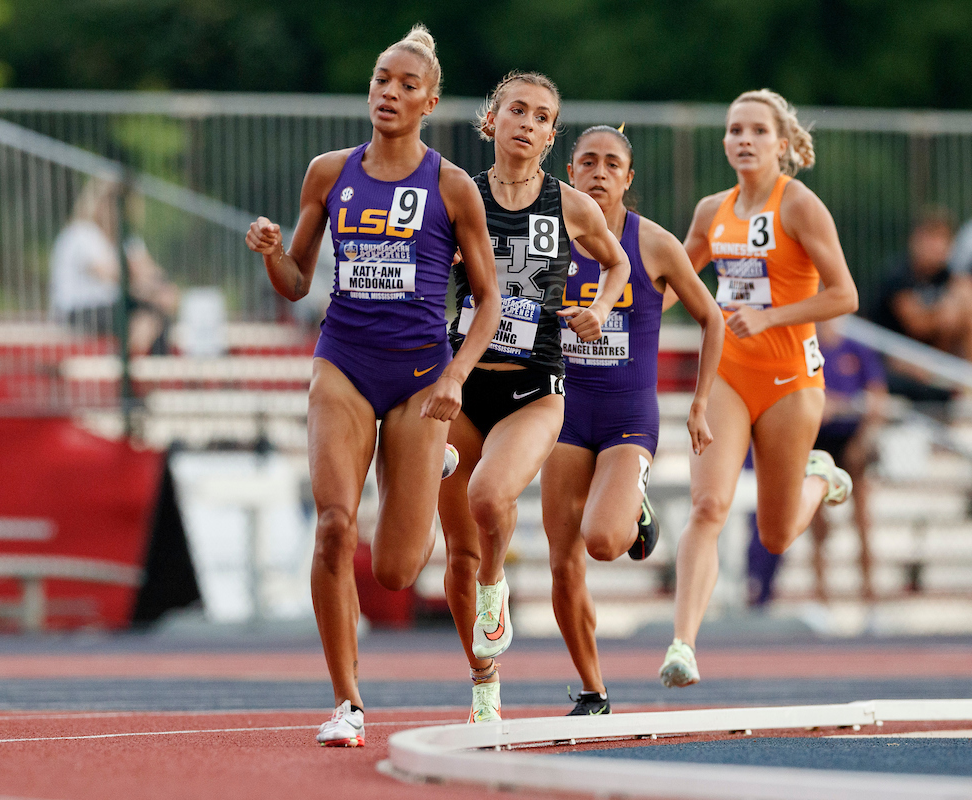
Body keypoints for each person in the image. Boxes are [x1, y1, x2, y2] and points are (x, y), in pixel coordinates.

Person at [244, 25, 501, 747]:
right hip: (343, 361)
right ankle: (347, 704)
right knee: (333, 527)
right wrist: (273, 254)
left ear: (431, 102)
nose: (389, 92)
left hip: (422, 377)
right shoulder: (329, 172)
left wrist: (456, 375)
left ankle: (433, 453)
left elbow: (490, 300)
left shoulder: (452, 187)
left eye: (405, 85)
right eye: (381, 79)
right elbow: (296, 284)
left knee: (393, 570)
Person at [439, 73, 630, 724]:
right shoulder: (455, 193)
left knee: (489, 497)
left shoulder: (571, 205)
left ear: (552, 136)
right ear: (490, 121)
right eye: (515, 110)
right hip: (462, 382)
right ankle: (483, 680)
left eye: (541, 115)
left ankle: (498, 580)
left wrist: (600, 307)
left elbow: (617, 264)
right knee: (456, 553)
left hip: (533, 385)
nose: (527, 122)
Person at [660, 89, 859, 688]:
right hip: (728, 373)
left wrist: (771, 316)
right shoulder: (710, 211)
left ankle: (819, 478)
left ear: (781, 142)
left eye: (756, 130)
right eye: (734, 130)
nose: (743, 139)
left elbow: (844, 295)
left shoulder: (798, 205)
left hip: (792, 381)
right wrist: (622, 321)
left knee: (773, 533)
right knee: (708, 505)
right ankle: (683, 645)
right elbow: (671, 281)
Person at [541, 124, 724, 716]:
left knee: (600, 541)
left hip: (627, 416)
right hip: (562, 413)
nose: (598, 172)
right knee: (562, 560)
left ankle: (635, 509)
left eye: (611, 163)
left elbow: (713, 320)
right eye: (587, 161)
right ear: (570, 171)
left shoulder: (655, 245)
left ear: (628, 178)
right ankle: (593, 690)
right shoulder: (547, 239)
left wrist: (698, 403)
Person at [870, 208, 972, 401]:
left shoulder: (948, 276)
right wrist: (946, 309)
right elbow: (917, 325)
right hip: (891, 355)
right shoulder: (899, 275)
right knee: (956, 309)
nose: (937, 246)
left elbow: (964, 313)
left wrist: (960, 302)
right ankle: (968, 387)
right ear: (916, 240)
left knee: (970, 303)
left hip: (931, 356)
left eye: (943, 239)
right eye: (931, 238)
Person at [49, 178, 179, 354]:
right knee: (148, 314)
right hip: (78, 310)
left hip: (110, 306)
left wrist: (160, 289)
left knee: (154, 315)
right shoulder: (82, 233)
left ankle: (138, 367)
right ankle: (129, 366)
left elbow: (150, 272)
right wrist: (153, 291)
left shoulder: (127, 239)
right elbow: (115, 274)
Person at [808, 315, 887, 603]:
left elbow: (877, 398)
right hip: (817, 442)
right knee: (817, 524)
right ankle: (822, 596)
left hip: (850, 440)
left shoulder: (855, 349)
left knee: (862, 519)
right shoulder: (808, 349)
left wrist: (861, 437)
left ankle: (869, 592)